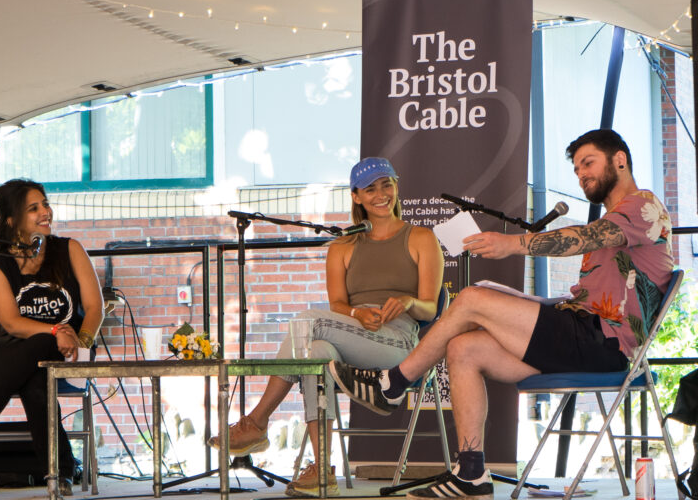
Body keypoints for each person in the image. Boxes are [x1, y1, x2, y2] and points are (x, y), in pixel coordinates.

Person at [330, 129, 673, 499]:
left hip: (606, 345)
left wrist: (511, 244)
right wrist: (532, 302)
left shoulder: (642, 206)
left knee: (473, 298)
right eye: (576, 169)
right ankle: (471, 473)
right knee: (463, 347)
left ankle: (394, 383)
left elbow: (585, 238)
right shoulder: (618, 217)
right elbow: (591, 295)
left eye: (588, 163)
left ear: (619, 159)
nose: (581, 174)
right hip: (582, 336)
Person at [207, 157, 444, 496]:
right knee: (315, 351)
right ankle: (322, 470)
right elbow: (338, 307)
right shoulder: (342, 246)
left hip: (399, 346)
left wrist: (407, 302)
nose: (381, 194)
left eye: (386, 184)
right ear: (356, 197)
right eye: (370, 188)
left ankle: (257, 422)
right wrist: (357, 315)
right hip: (352, 334)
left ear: (396, 186)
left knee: (306, 321)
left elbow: (430, 307)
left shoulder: (421, 237)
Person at [0, 179, 104, 497]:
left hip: (69, 349)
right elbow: (12, 324)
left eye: (45, 203)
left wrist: (79, 342)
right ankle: (61, 473)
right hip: (17, 349)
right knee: (36, 377)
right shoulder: (1, 265)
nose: (46, 211)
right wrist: (55, 331)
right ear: (12, 220)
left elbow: (95, 307)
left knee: (38, 363)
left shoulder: (69, 249)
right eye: (34, 208)